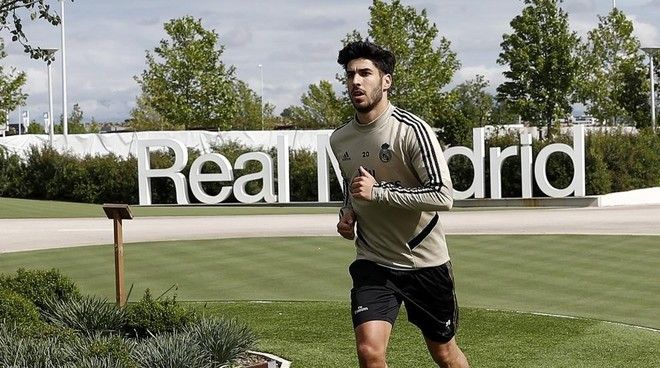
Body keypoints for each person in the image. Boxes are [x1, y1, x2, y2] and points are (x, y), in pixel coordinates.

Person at [330, 40, 470, 368]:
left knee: (445, 354)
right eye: (350, 75)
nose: (356, 82)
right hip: (374, 262)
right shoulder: (339, 139)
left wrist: (379, 193)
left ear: (386, 81)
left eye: (365, 73)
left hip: (425, 264)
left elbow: (442, 195)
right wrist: (347, 214)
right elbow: (352, 190)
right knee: (369, 351)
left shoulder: (412, 130)